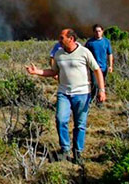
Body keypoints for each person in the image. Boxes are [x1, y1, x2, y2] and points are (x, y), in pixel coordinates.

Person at [26, 28, 106, 164]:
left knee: (80, 124)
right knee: (60, 120)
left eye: (62, 38)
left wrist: (101, 90)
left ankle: (77, 152)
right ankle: (65, 149)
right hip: (64, 93)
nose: (59, 40)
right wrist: (37, 72)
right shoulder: (59, 53)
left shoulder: (84, 52)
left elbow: (97, 70)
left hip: (82, 94)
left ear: (71, 39)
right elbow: (53, 71)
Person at [85, 24, 114, 102]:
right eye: (96, 31)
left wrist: (111, 66)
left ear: (102, 31)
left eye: (99, 31)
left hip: (103, 67)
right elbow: (85, 55)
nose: (98, 33)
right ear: (94, 32)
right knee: (94, 84)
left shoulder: (106, 41)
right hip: (93, 67)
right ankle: (93, 99)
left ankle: (99, 101)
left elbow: (110, 54)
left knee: (102, 84)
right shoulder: (90, 42)